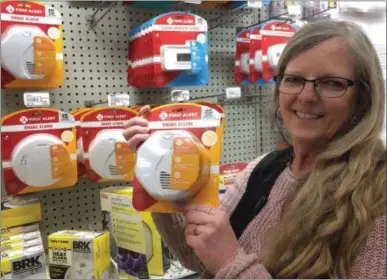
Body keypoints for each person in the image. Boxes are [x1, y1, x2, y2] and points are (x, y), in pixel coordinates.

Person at [123, 20, 386, 279]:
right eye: (294, 79)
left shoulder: (376, 196)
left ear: (363, 98)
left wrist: (232, 262)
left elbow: (223, 260)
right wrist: (158, 178)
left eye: (331, 83)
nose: (306, 96)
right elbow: (195, 257)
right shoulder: (262, 170)